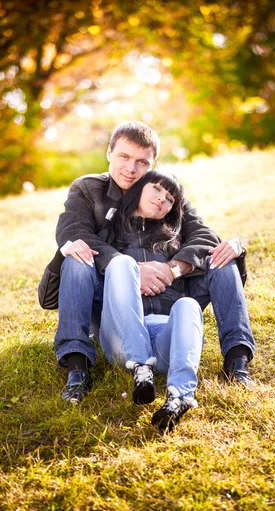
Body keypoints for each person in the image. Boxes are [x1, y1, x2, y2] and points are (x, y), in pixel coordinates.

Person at [38, 120, 255, 408]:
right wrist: (128, 271)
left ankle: (237, 360)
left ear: (153, 165)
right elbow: (73, 233)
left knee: (222, 258)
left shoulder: (164, 194)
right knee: (77, 258)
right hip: (112, 299)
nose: (131, 168)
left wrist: (174, 268)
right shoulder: (89, 189)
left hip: (171, 296)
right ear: (109, 153)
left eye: (142, 162)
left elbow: (204, 235)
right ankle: (77, 368)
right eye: (124, 157)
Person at [97, 170, 203, 431]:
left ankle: (180, 396)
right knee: (120, 262)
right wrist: (134, 270)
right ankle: (140, 366)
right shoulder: (106, 233)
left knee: (189, 305)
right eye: (156, 189)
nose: (161, 199)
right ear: (139, 188)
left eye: (169, 199)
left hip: (167, 338)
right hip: (121, 337)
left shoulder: (174, 243)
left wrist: (173, 268)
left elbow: (207, 241)